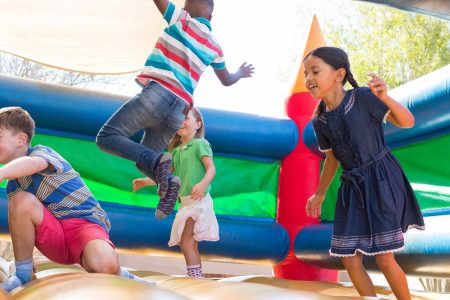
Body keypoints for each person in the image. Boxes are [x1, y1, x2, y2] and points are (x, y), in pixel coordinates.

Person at [96, 0, 254, 219]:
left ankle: (160, 163)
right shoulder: (215, 46)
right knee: (145, 161)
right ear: (211, 17)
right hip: (178, 111)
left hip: (157, 95)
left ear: (187, 9)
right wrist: (240, 72)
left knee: (107, 137)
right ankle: (171, 185)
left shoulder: (182, 19)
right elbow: (226, 80)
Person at [303, 47, 424, 300]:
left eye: (315, 71)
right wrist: (319, 194)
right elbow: (332, 158)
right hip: (353, 188)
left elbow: (407, 121)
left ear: (339, 74)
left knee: (384, 258)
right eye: (306, 74)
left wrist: (385, 97)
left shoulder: (363, 98)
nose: (308, 78)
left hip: (381, 179)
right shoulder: (320, 120)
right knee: (349, 260)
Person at [0, 107, 148, 292]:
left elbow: (33, 164)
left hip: (83, 224)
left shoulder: (41, 154)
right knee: (21, 201)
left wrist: (3, 172)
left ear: (22, 139)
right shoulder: (14, 186)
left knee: (104, 265)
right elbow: (21, 224)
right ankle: (23, 272)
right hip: (54, 237)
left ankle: (121, 273)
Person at [133, 107, 218, 278]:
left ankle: (195, 277)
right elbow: (167, 177)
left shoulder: (200, 144)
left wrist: (202, 184)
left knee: (187, 242)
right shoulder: (176, 151)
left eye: (186, 118)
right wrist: (145, 181)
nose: (181, 122)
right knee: (187, 243)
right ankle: (195, 275)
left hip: (198, 201)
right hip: (185, 203)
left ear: (198, 124)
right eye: (179, 119)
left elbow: (211, 169)